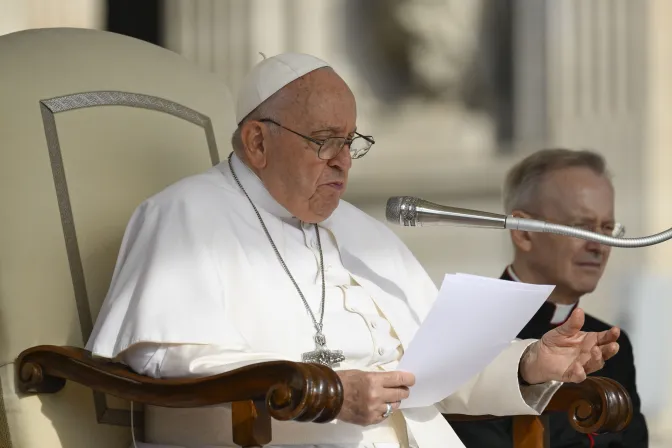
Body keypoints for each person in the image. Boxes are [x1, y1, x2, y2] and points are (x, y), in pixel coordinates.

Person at [86, 54, 620, 448]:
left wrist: (530, 362)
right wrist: (328, 391)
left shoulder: (362, 232)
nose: (343, 161)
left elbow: (433, 367)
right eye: (324, 141)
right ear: (256, 142)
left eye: (351, 142)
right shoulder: (185, 215)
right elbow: (166, 361)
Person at [448, 148, 648, 447]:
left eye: (608, 228)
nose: (600, 245)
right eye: (582, 227)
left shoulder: (611, 345)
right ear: (523, 232)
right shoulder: (461, 329)